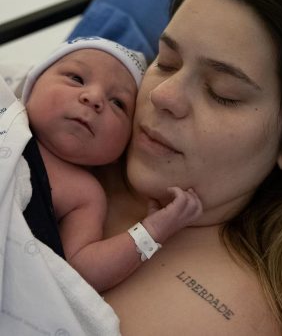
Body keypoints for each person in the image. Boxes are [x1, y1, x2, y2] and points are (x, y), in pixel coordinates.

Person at [82, 0, 282, 336]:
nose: (163, 96)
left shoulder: (219, 318)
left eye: (223, 92)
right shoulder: (63, 135)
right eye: (165, 62)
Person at [21, 36, 202, 292]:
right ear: (32, 84)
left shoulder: (84, 193)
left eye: (118, 103)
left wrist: (151, 232)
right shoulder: (8, 115)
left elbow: (80, 271)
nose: (94, 98)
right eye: (76, 78)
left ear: (124, 147)